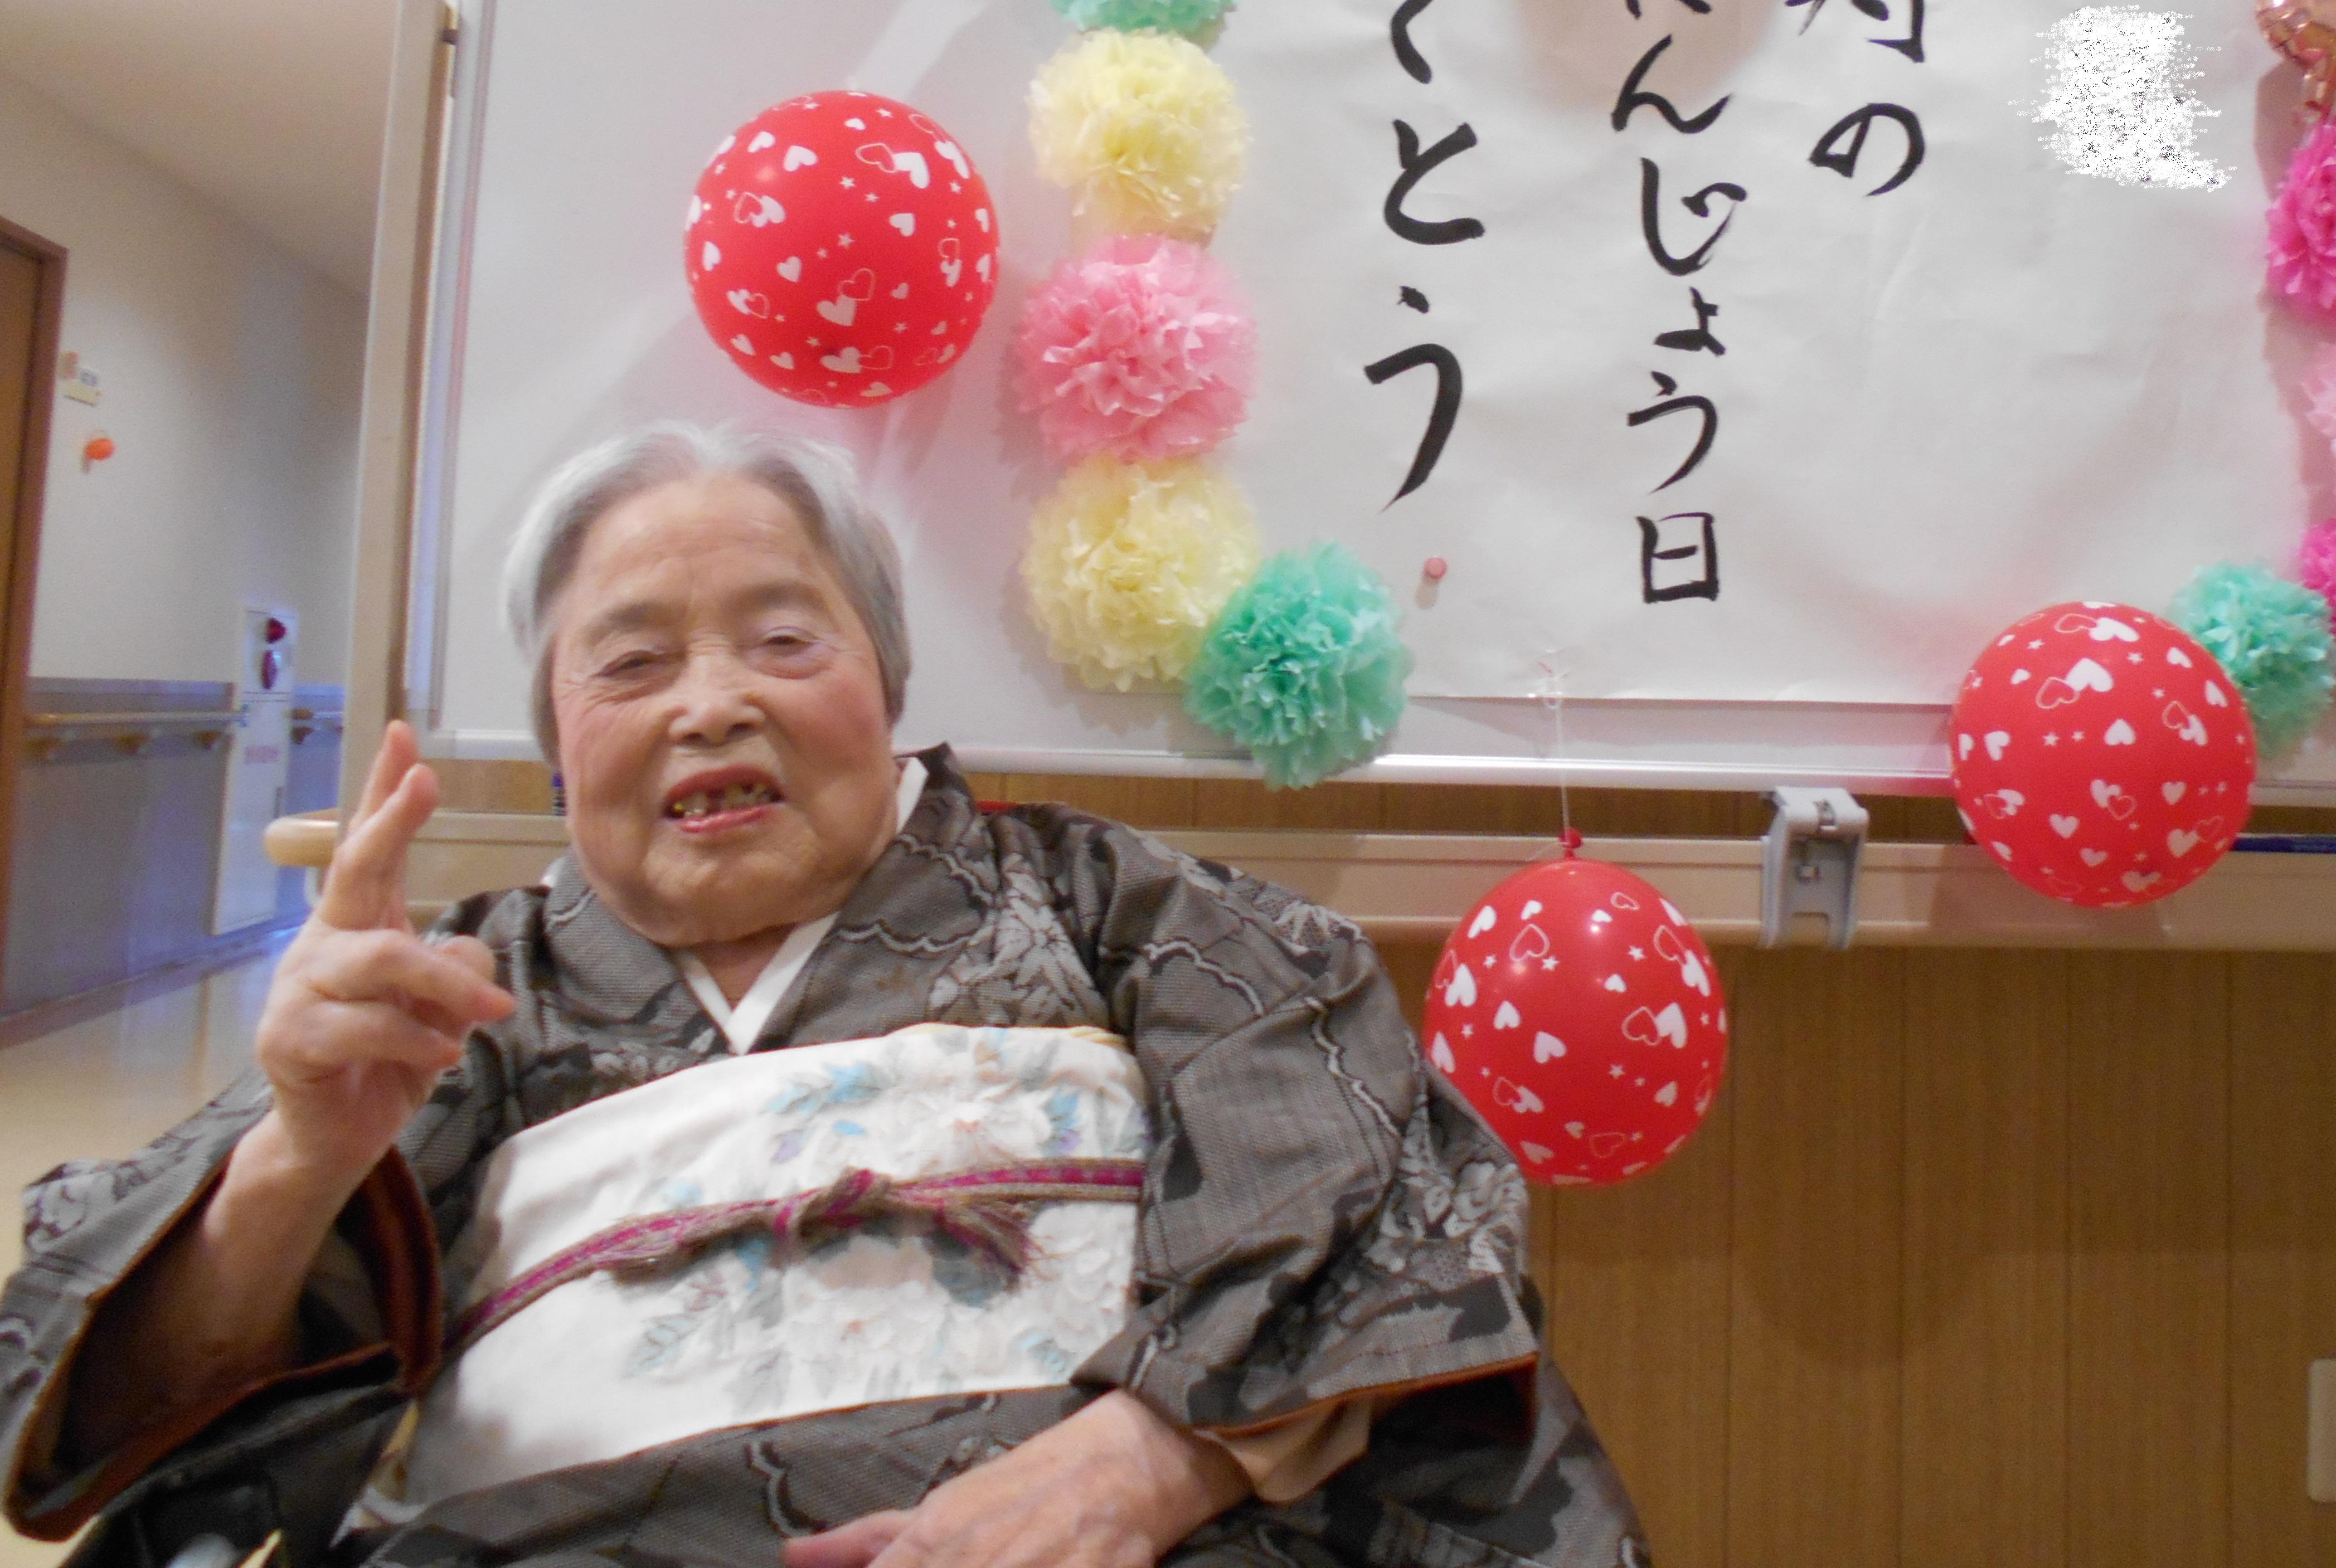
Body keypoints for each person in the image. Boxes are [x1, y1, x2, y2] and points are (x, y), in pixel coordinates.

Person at [0, 425, 1644, 1568]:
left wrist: (1147, 1461)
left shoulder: (1121, 909)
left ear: (887, 681)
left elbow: (1361, 1180)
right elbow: (130, 1401)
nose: (711, 705)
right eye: (631, 663)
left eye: (783, 641)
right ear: (559, 736)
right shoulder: (454, 994)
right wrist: (300, 1158)